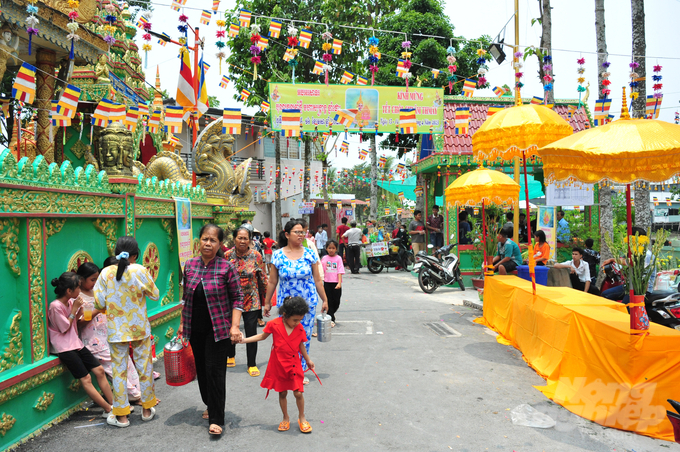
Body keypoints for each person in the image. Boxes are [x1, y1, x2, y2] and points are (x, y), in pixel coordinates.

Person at [178, 224, 244, 436]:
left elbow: (238, 298)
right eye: (205, 239)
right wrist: (181, 324)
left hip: (219, 329)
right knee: (202, 371)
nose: (208, 243)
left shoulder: (227, 268)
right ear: (199, 240)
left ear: (219, 244)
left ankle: (217, 418)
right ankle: (209, 403)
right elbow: (185, 298)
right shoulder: (189, 265)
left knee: (215, 371)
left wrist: (234, 326)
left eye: (213, 240)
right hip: (194, 328)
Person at [94, 237, 159, 428]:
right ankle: (147, 409)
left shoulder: (105, 273)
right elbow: (155, 294)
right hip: (139, 328)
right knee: (145, 369)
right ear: (136, 254)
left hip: (116, 330)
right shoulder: (140, 270)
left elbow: (99, 303)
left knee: (119, 372)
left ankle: (122, 416)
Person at [265, 219, 328, 385]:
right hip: (286, 306)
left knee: (303, 337)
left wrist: (325, 299)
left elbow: (317, 280)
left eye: (303, 232)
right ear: (287, 234)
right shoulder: (277, 255)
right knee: (286, 338)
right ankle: (288, 368)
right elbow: (272, 282)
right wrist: (266, 302)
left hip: (307, 305)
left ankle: (299, 370)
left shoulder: (309, 253)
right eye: (297, 232)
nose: (301, 235)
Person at [241, 296, 315, 434]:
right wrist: (244, 340)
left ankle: (302, 417)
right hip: (279, 364)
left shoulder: (299, 328)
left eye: (300, 320)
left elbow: (301, 345)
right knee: (282, 392)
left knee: (298, 393)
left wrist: (308, 360)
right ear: (285, 315)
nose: (297, 323)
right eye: (295, 320)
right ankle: (285, 417)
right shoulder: (274, 324)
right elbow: (262, 337)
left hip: (294, 364)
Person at [48, 272, 114, 419]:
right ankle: (108, 409)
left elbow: (76, 321)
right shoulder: (55, 306)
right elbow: (64, 328)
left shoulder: (71, 302)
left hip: (75, 343)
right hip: (64, 347)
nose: (80, 290)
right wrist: (73, 311)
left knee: (99, 371)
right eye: (77, 288)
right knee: (86, 379)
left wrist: (80, 311)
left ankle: (114, 403)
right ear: (68, 291)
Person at [77, 263, 142, 405]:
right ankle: (134, 396)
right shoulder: (78, 297)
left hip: (110, 333)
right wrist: (98, 310)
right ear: (81, 279)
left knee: (126, 362)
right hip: (93, 340)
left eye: (97, 279)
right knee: (114, 368)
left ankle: (138, 392)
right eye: (92, 280)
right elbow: (79, 322)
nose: (95, 283)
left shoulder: (98, 291)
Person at [225, 226, 268, 377]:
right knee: (231, 329)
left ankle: (251, 363)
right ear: (234, 239)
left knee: (251, 333)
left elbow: (262, 278)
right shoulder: (227, 256)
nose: (243, 241)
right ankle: (231, 355)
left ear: (250, 240)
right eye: (240, 238)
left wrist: (267, 300)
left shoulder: (256, 255)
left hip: (252, 299)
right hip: (231, 300)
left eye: (245, 238)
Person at [321, 240, 344, 327]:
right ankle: (331, 318)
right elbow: (321, 270)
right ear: (326, 249)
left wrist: (339, 283)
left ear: (336, 249)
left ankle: (331, 314)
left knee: (336, 302)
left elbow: (340, 271)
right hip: (327, 283)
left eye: (333, 248)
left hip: (335, 283)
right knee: (329, 301)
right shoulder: (324, 258)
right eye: (329, 248)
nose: (331, 250)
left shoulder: (338, 258)